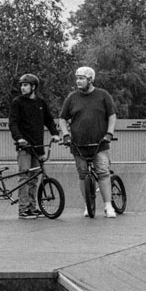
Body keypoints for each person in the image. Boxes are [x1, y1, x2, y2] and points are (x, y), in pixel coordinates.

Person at [59, 66, 118, 218]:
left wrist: (109, 133)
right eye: (77, 78)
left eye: (82, 78)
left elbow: (112, 116)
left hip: (99, 143)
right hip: (78, 145)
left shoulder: (102, 95)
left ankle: (108, 206)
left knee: (103, 173)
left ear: (90, 79)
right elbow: (62, 118)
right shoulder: (72, 98)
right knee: (83, 174)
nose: (78, 81)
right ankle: (88, 204)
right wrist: (66, 135)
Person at [8, 74, 60, 219]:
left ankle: (32, 207)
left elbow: (49, 120)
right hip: (24, 147)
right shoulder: (17, 102)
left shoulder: (40, 102)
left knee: (34, 178)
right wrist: (19, 139)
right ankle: (23, 209)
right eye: (21, 85)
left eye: (25, 85)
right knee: (24, 177)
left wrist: (55, 134)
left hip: (38, 146)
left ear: (33, 87)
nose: (22, 88)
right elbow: (13, 123)